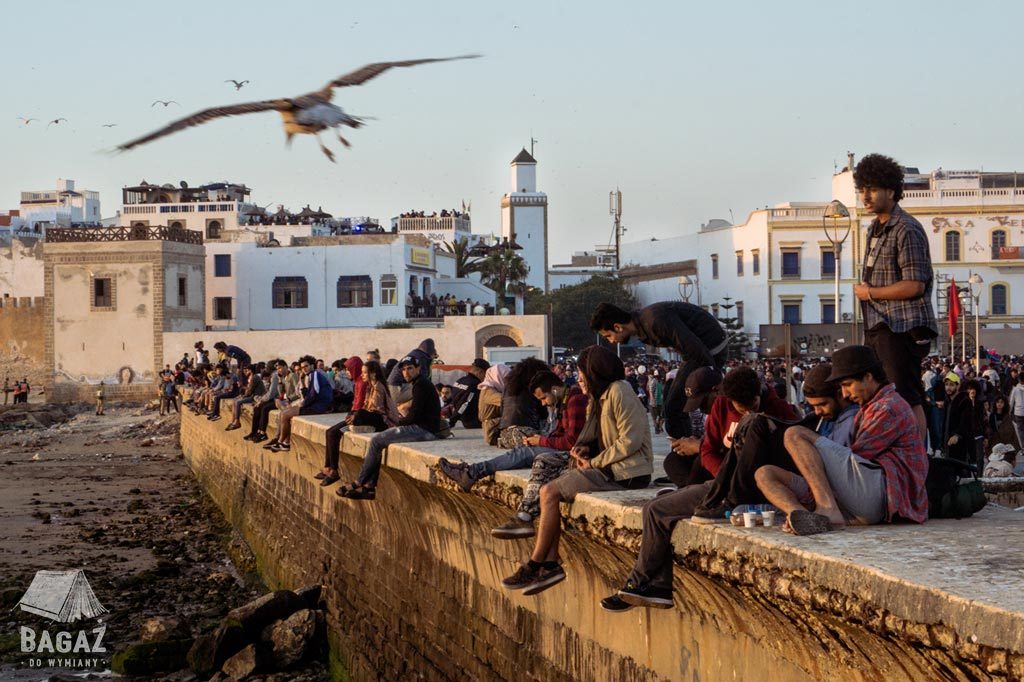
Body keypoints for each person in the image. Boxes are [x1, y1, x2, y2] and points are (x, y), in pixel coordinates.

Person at [501, 346, 652, 596]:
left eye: (582, 373)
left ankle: (539, 563)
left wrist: (595, 462)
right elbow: (591, 437)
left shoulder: (620, 391)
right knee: (549, 490)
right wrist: (583, 450)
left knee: (549, 492)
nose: (578, 379)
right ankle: (548, 563)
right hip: (609, 468)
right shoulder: (598, 396)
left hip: (627, 473)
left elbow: (630, 441)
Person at [754, 345, 929, 535]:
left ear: (868, 377)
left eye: (847, 385)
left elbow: (858, 457)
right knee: (764, 474)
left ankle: (827, 508)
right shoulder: (872, 407)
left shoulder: (889, 408)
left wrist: (811, 462)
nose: (845, 394)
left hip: (882, 496)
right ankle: (803, 517)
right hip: (859, 495)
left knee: (795, 434)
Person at [437, 370, 587, 537]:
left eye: (544, 398)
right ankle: (471, 472)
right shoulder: (565, 400)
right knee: (521, 452)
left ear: (554, 389)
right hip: (562, 447)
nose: (544, 403)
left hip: (573, 453)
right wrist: (541, 438)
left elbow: (571, 442)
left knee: (524, 454)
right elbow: (561, 433)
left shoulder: (575, 401)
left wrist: (541, 441)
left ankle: (472, 472)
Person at [852, 154, 938, 440]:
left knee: (906, 397)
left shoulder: (906, 229)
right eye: (862, 188)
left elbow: (915, 285)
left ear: (891, 190)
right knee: (883, 396)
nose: (865, 195)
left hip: (901, 326)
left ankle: (916, 462)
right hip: (879, 324)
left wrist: (870, 292)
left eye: (872, 189)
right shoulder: (874, 229)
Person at [590, 301, 727, 441]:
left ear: (617, 327)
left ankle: (688, 449)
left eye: (608, 336)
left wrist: (712, 376)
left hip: (710, 352)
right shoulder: (644, 326)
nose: (611, 341)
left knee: (674, 407)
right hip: (697, 354)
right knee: (671, 402)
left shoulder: (654, 322)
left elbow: (697, 352)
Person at [337, 355, 441, 500]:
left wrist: (398, 424)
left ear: (418, 369)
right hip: (423, 427)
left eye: (410, 368)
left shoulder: (421, 385)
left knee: (376, 441)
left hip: (424, 430)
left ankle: (359, 482)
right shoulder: (419, 383)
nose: (406, 373)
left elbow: (414, 416)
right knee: (380, 441)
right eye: (404, 370)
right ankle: (369, 487)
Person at [317, 360, 400, 487]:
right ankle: (330, 468)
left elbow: (376, 409)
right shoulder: (369, 385)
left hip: (382, 420)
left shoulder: (378, 386)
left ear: (373, 374)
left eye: (365, 373)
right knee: (331, 431)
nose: (363, 375)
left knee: (351, 420)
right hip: (369, 417)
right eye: (362, 373)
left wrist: (356, 415)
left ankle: (333, 470)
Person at [268, 356, 333, 452]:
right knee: (284, 413)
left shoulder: (315, 374)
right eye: (302, 367)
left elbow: (314, 393)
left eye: (306, 366)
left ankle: (281, 441)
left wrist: (303, 404)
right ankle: (285, 443)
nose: (304, 369)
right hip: (314, 404)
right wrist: (302, 382)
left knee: (285, 414)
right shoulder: (309, 376)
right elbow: (306, 393)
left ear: (312, 366)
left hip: (318, 407)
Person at [446, 359, 490, 429]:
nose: (484, 378)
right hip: (472, 422)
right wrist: (452, 421)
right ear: (480, 372)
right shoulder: (474, 385)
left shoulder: (460, 380)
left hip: (462, 419)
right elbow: (465, 403)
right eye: (485, 375)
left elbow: (454, 400)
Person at [226, 365, 264, 431]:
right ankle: (233, 420)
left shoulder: (254, 378)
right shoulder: (251, 377)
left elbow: (250, 391)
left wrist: (243, 396)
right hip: (252, 395)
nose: (245, 372)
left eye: (247, 370)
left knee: (238, 402)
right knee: (235, 400)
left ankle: (237, 421)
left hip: (256, 397)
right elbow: (249, 390)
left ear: (250, 371)